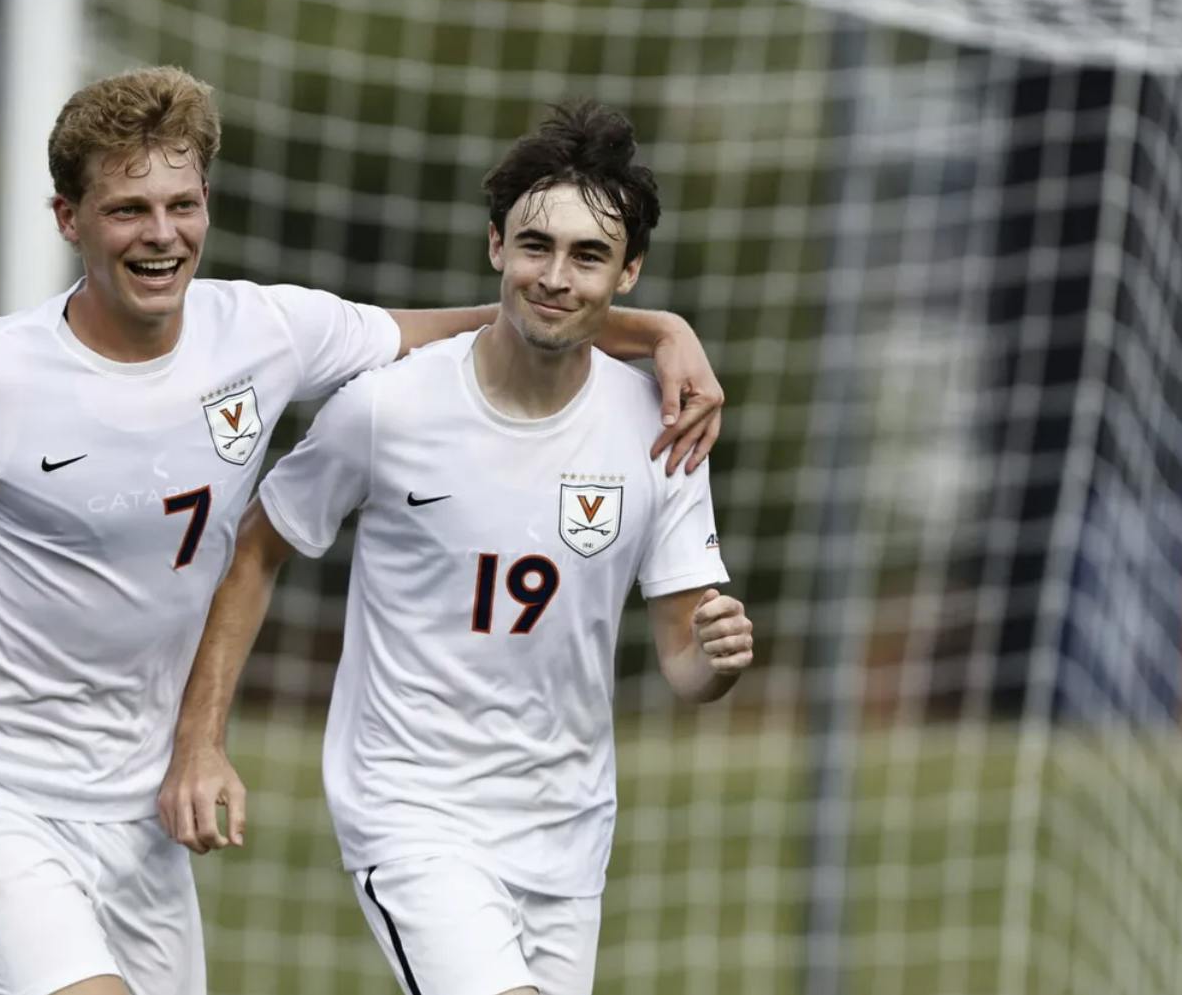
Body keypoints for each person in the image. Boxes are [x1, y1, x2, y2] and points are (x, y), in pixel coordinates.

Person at [0, 67, 726, 995]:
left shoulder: (269, 331)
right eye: (126, 210)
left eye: (181, 204)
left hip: (143, 802)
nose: (161, 235)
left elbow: (491, 324)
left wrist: (656, 331)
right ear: (68, 219)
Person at [158, 100, 755, 995]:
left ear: (628, 272)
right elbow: (255, 548)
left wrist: (718, 659)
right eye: (535, 245)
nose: (556, 275)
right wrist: (199, 740)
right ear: (495, 249)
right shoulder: (388, 408)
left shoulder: (662, 427)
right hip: (412, 809)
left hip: (568, 826)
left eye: (589, 254)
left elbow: (682, 657)